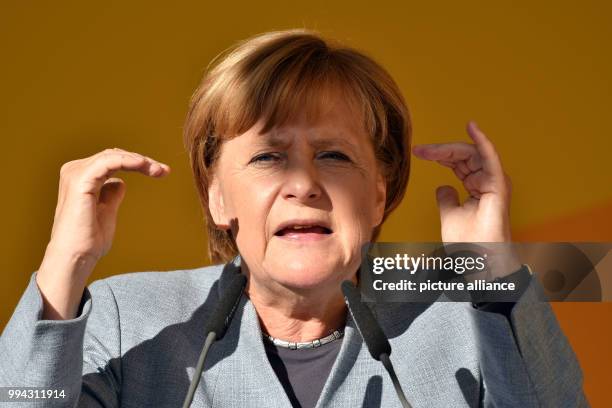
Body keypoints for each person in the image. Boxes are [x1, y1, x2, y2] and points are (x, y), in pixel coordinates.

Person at [0, 29, 587, 407]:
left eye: (334, 155)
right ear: (217, 198)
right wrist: (63, 268)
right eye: (267, 157)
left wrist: (492, 273)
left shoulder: (461, 314)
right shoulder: (126, 316)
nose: (304, 183)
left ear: (379, 195)